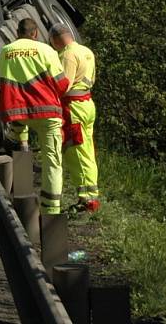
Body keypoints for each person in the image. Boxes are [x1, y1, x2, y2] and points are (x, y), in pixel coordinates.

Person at [0, 18, 69, 215]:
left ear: (17, 33)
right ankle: (51, 212)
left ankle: (22, 194)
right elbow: (61, 84)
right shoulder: (46, 51)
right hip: (46, 111)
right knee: (52, 161)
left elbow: (4, 81)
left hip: (17, 112)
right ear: (35, 33)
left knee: (21, 143)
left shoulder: (6, 51)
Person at [49, 23, 100, 212]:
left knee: (75, 151)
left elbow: (64, 85)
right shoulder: (87, 51)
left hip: (74, 107)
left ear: (55, 40)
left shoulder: (67, 55)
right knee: (87, 149)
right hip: (87, 104)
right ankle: (92, 194)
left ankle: (87, 199)